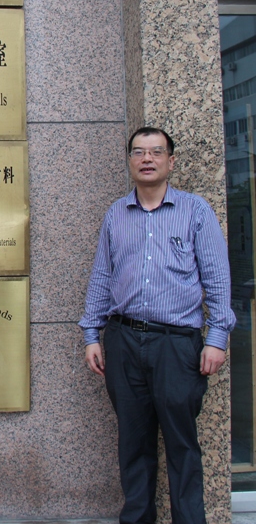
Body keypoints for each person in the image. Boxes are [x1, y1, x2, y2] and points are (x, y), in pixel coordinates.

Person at [79, 126, 236, 524]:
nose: (146, 159)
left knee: (182, 443)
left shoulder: (195, 211)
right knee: (133, 443)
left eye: (156, 152)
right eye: (138, 152)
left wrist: (217, 338)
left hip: (176, 345)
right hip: (124, 340)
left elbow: (217, 279)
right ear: (130, 161)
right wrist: (91, 334)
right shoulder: (117, 214)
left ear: (171, 161)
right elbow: (102, 277)